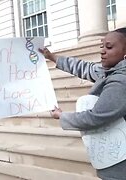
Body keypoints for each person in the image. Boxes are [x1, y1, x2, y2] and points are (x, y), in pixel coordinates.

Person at [39, 27, 126, 180]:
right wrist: (52, 57)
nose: (102, 51)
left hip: (119, 162)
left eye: (109, 47)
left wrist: (62, 116)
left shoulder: (120, 81)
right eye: (102, 46)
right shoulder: (110, 71)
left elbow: (96, 117)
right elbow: (84, 68)